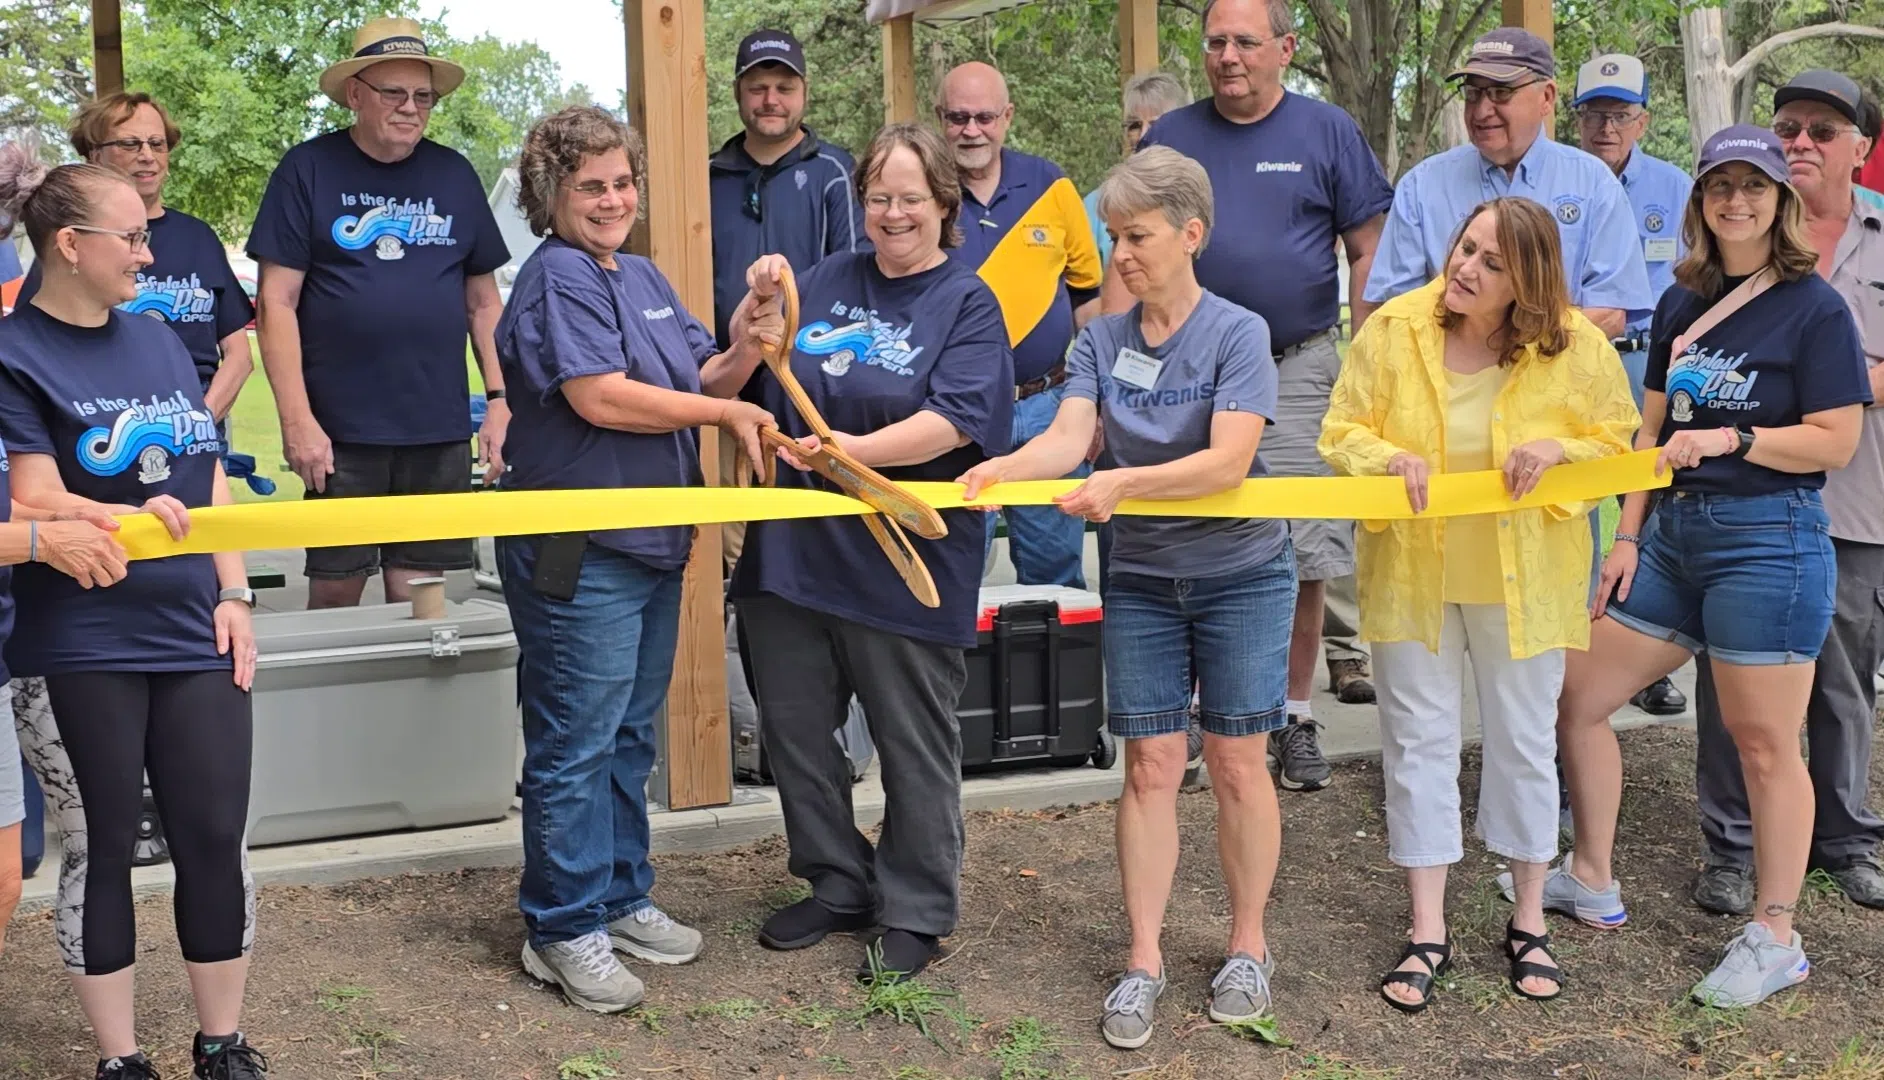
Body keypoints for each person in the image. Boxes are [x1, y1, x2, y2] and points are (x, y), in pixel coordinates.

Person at [962, 146, 1291, 1047]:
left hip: (1241, 574)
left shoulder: (1238, 332)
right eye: (1114, 237)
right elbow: (1071, 437)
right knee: (1146, 767)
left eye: (1137, 237)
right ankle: (1142, 960)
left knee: (1235, 763)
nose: (1120, 256)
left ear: (1192, 234)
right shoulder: (1098, 339)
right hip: (1143, 576)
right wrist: (1003, 467)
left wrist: (1123, 486)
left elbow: (1229, 461)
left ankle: (1247, 947)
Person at [1557, 126, 1869, 1008]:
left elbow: (1836, 441)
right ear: (1700, 201)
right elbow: (1647, 436)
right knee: (1576, 697)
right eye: (1720, 186)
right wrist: (1624, 539)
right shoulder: (1683, 300)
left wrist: (1736, 436)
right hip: (1671, 541)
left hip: (1769, 539)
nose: (1737, 201)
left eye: (1754, 187)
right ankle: (1591, 876)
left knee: (1765, 743)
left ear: (1781, 201)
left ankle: (1776, 933)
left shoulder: (1813, 309)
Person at [1321, 196, 1639, 1011]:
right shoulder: (1393, 327)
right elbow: (1340, 430)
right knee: (1417, 742)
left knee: (1524, 741)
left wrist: (1558, 448)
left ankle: (1528, 918)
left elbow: (1618, 440)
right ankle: (1428, 928)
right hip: (1412, 576)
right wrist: (1386, 458)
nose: (1466, 268)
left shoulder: (1577, 345)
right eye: (1467, 248)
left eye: (1492, 263)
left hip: (1524, 579)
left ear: (1527, 281)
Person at [494, 105, 778, 1014]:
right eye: (591, 186)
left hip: (654, 542)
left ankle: (619, 897)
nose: (614, 199)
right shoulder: (556, 278)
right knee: (575, 738)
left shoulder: (645, 274)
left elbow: (704, 374)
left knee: (625, 733)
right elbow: (601, 397)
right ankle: (561, 924)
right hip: (581, 548)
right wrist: (725, 414)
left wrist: (747, 343)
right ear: (551, 195)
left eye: (623, 181)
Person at [0, 148, 270, 1078]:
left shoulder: (157, 339)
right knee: (101, 845)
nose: (148, 257)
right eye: (134, 238)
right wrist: (111, 514)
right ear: (70, 245)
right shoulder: (12, 352)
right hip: (77, 640)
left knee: (212, 836)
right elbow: (30, 499)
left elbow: (206, 484)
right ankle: (122, 1059)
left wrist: (232, 591)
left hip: (194, 626)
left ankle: (222, 1042)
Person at [732, 123, 1013, 981]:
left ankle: (918, 906)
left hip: (905, 555)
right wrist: (761, 303)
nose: (894, 215)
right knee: (795, 730)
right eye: (879, 197)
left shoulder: (966, 301)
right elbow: (761, 363)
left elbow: (956, 419)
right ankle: (836, 880)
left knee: (910, 737)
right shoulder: (826, 279)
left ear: (944, 205)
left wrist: (847, 454)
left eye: (911, 199)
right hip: (796, 549)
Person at [1128, 0, 1396, 790]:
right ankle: (1195, 720)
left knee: (1302, 546)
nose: (1229, 56)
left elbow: (1368, 248)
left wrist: (1365, 359)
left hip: (1299, 366)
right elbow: (1133, 245)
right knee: (1190, 529)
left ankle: (1293, 713)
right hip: (1186, 368)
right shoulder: (1172, 136)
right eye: (1215, 42)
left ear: (1285, 48)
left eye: (1246, 41)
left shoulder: (1326, 131)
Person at [1689, 71, 1884, 917]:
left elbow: (1816, 395)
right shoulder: (1743, 241)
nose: (1803, 142)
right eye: (1789, 128)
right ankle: (1733, 848)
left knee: (1843, 681)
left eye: (1824, 130)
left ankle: (1845, 839)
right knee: (1731, 681)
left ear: (1862, 149)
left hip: (1857, 496)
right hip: (1746, 504)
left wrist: (1832, 386)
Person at [248, 17, 510, 608]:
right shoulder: (307, 169)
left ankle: (411, 706)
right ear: (356, 94)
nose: (411, 108)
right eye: (395, 93)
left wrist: (499, 400)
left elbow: (483, 301)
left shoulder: (454, 174)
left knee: (424, 603)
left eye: (424, 97)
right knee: (336, 596)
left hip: (438, 430)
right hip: (340, 434)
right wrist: (296, 421)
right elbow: (275, 303)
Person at [937, 62, 1101, 590]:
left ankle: (1055, 675)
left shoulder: (1052, 185)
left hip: (1046, 409)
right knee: (954, 574)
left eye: (984, 116)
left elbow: (1089, 300)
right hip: (952, 415)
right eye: (958, 117)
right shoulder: (923, 192)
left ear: (1007, 117)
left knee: (1056, 575)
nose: (971, 130)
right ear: (940, 120)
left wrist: (1094, 400)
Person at [1571, 54, 1694, 718]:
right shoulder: (1561, 183)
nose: (1605, 127)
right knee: (1580, 511)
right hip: (1578, 364)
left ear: (1642, 120)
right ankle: (1584, 643)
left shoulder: (1676, 187)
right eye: (1593, 113)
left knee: (1647, 510)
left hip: (1651, 363)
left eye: (1619, 114)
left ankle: (1647, 657)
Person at [20, 93, 254, 425]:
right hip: (107, 428)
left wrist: (195, 428)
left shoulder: (198, 237)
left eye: (157, 144)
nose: (147, 156)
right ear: (93, 155)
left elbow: (239, 355)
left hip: (200, 421)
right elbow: (35, 351)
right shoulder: (71, 242)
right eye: (130, 144)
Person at [1085, 72, 1191, 273]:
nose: (1143, 135)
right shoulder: (1095, 205)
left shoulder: (1200, 196)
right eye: (1134, 126)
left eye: (1156, 124)